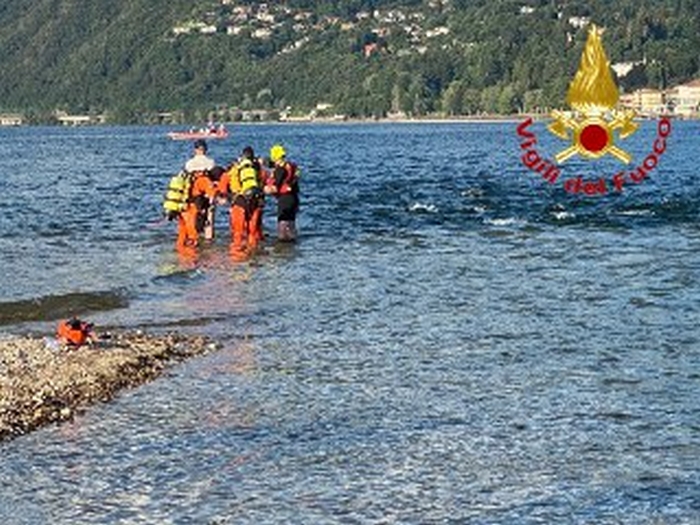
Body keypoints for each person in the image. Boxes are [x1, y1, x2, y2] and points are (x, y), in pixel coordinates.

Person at [218, 146, 265, 251]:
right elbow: (264, 182)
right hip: (255, 201)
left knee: (238, 232)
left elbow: (223, 188)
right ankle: (253, 253)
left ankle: (237, 255)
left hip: (239, 201)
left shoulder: (234, 169)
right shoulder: (258, 169)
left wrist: (225, 196)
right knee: (253, 231)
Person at [177, 139, 217, 248]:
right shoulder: (211, 162)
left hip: (192, 197)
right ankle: (208, 243)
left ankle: (191, 242)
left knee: (192, 221)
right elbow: (214, 180)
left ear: (195, 150)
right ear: (206, 149)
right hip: (206, 196)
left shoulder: (189, 163)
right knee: (209, 221)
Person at [264, 143, 300, 241]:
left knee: (283, 224)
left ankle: (282, 247)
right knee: (291, 223)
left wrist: (262, 190)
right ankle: (292, 246)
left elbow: (275, 187)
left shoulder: (280, 170)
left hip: (284, 200)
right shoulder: (291, 166)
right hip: (294, 199)